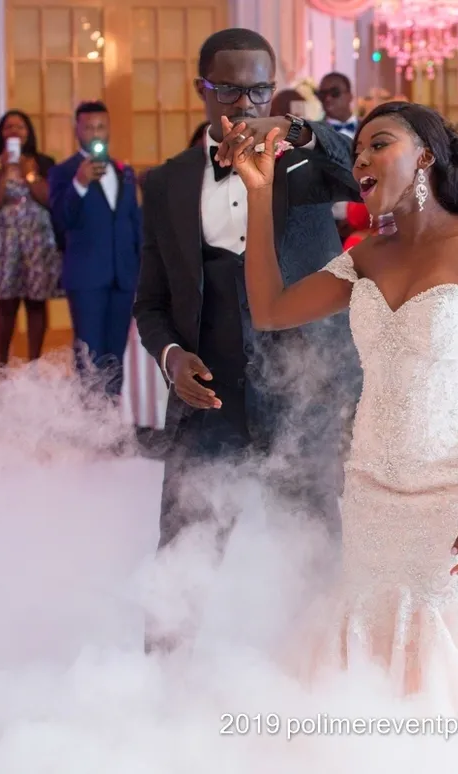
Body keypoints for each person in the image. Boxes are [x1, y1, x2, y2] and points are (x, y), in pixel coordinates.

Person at [218, 100, 458, 721]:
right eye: (357, 151)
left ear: (426, 157)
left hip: (457, 485)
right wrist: (258, 191)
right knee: (372, 634)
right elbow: (272, 309)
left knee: (443, 641)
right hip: (371, 487)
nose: (363, 158)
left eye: (379, 144)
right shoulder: (365, 255)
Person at [133, 28, 362, 615]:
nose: (246, 105)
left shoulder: (310, 166)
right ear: (202, 89)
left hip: (303, 393)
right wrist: (171, 357)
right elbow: (152, 302)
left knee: (314, 549)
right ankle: (163, 688)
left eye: (260, 91)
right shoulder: (166, 183)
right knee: (184, 549)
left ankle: (321, 684)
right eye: (231, 90)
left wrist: (300, 129)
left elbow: (359, 164)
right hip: (209, 397)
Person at [49, 101, 142, 396]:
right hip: (87, 276)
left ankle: (114, 428)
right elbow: (61, 220)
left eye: (101, 126)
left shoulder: (124, 170)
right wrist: (79, 183)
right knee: (90, 357)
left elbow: (133, 221)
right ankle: (89, 429)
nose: (95, 133)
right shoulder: (63, 172)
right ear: (77, 130)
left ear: (109, 128)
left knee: (117, 356)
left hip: (124, 276)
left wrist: (143, 268)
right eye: (88, 127)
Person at [0, 111, 61, 365]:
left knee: (36, 301)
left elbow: (49, 200)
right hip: (5, 241)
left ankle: (34, 362)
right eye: (8, 127)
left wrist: (29, 174)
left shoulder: (43, 162)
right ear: (1, 133)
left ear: (28, 132)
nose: (14, 131)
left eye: (20, 127)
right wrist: (3, 170)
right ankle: (1, 363)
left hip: (38, 239)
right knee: (6, 303)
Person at [317, 72, 357, 139]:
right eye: (323, 94)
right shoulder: (315, 131)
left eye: (335, 92)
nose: (328, 98)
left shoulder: (367, 126)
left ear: (350, 96)